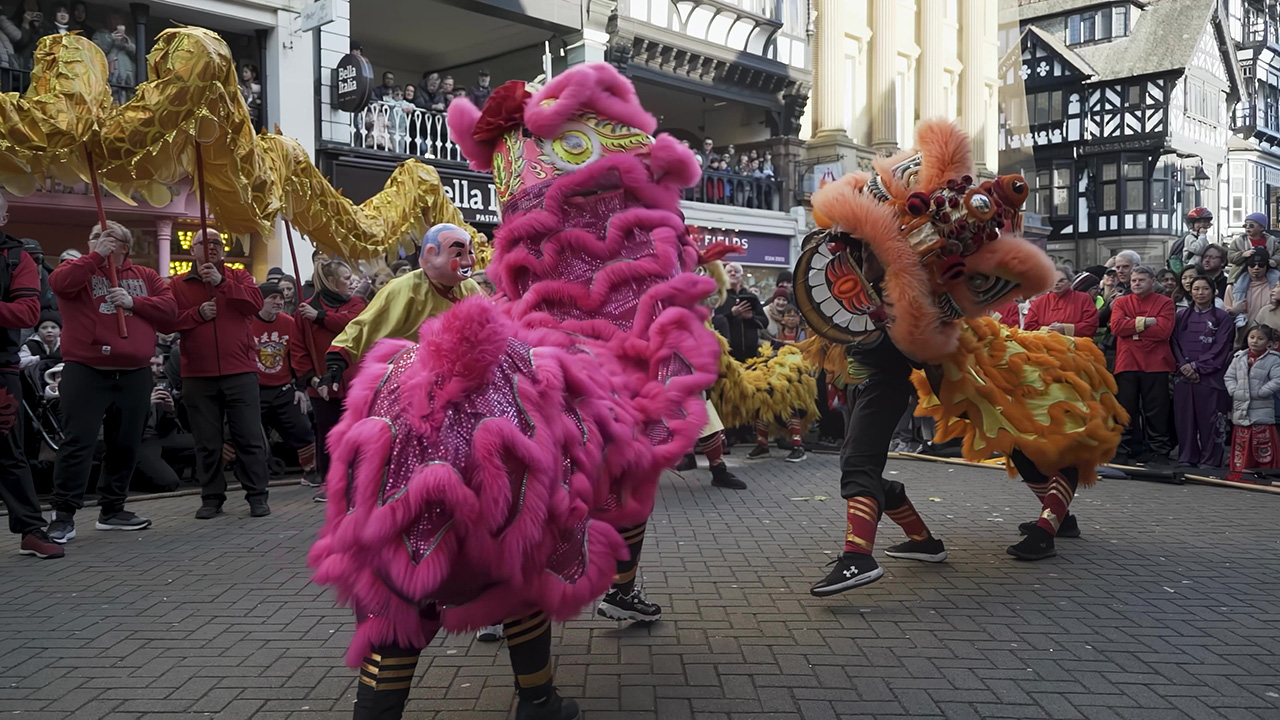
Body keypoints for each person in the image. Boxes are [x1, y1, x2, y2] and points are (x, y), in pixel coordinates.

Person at [46, 221, 176, 542]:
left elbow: (170, 311)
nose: (103, 242)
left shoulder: (146, 277)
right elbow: (59, 284)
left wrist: (135, 303)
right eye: (96, 237)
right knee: (78, 441)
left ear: (125, 248)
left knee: (125, 441)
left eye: (111, 239)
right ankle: (63, 514)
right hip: (87, 369)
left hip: (134, 372)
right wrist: (93, 258)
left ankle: (113, 508)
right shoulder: (78, 269)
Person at [170, 229, 272, 520]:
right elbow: (166, 322)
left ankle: (257, 495)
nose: (211, 247)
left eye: (217, 242)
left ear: (223, 251)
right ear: (193, 250)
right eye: (204, 243)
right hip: (197, 373)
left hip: (239, 369)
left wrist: (223, 283)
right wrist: (197, 314)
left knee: (249, 436)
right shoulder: (177, 284)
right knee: (207, 441)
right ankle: (211, 497)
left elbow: (254, 304)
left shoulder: (239, 276)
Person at [0, 217, 62, 559]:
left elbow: (27, 312)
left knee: (10, 456)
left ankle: (30, 530)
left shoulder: (15, 258)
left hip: (1, 367)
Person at [290, 255, 365, 499]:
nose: (351, 283)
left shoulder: (357, 304)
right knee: (327, 434)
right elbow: (298, 349)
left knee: (357, 433)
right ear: (332, 282)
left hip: (354, 383)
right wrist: (311, 379)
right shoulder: (305, 310)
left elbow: (354, 325)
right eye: (346, 279)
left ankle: (360, 482)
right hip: (321, 384)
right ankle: (330, 483)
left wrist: (320, 317)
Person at [1108, 266, 1176, 465]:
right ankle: (1122, 451)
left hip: (1157, 363)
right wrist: (1147, 322)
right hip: (1127, 362)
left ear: (1153, 280)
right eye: (1134, 281)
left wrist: (1133, 328)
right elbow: (1117, 328)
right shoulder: (1121, 302)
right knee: (1125, 410)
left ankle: (1159, 453)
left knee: (1156, 412)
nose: (1136, 284)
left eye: (1141, 280)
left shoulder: (1166, 302)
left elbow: (1164, 332)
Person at [251, 282, 317, 482]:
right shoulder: (246, 323)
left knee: (302, 427)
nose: (278, 301)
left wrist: (299, 387)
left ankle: (311, 471)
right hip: (255, 388)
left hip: (284, 388)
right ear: (260, 300)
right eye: (273, 298)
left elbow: (297, 356)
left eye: (280, 298)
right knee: (239, 431)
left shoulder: (289, 322)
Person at [1172, 276, 1233, 469]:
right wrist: (1184, 366)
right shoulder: (1181, 316)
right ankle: (1187, 457)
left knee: (1212, 421)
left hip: (1211, 378)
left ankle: (1210, 460)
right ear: (1190, 292)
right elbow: (1174, 344)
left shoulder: (1222, 318)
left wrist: (1198, 367)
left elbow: (1222, 348)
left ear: (1213, 291)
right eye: (1196, 289)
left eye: (1205, 289)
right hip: (1184, 376)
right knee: (1185, 421)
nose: (1200, 293)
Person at [130, 352, 193, 494]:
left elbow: (165, 430)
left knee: (209, 445)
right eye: (151, 364)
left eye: (158, 365)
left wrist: (169, 412)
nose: (154, 369)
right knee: (169, 483)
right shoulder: (131, 387)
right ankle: (133, 480)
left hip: (159, 438)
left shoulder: (161, 386)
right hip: (140, 440)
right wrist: (145, 405)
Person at [1225, 324, 1280, 482]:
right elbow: (1229, 377)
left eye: (1260, 338)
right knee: (1242, 441)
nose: (1255, 341)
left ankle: (1266, 474)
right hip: (1241, 407)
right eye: (1252, 337)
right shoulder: (1239, 357)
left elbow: (1277, 380)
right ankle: (1240, 472)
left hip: (1261, 409)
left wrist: (1261, 392)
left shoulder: (1273, 359)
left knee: (1262, 443)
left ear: (1270, 342)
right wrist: (1235, 391)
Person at [1021, 266, 1099, 338]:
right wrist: (1049, 330)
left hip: (1076, 347)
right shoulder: (1039, 302)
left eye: (1061, 281)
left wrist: (1065, 329)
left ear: (1070, 281)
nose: (1056, 284)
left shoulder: (1084, 298)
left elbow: (1091, 326)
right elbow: (1028, 326)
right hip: (1043, 346)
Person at [714, 262, 767, 363]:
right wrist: (731, 314)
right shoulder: (719, 297)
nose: (733, 273)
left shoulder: (751, 297)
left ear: (741, 276)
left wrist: (751, 318)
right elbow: (713, 322)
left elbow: (764, 322)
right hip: (727, 355)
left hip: (751, 356)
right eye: (729, 271)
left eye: (736, 271)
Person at [1227, 248, 1279, 346]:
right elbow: (1222, 317)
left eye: (1261, 265)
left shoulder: (1276, 288)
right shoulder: (1233, 288)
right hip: (1241, 341)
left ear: (1267, 266)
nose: (1256, 267)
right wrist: (1233, 311)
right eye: (1252, 264)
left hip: (1270, 343)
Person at [93, 17, 135, 105]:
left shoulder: (130, 36)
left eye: (120, 20)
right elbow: (95, 52)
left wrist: (128, 45)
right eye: (114, 19)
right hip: (109, 80)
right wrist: (111, 39)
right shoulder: (100, 35)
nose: (117, 23)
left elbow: (140, 54)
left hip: (128, 81)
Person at [1175, 207, 1215, 273]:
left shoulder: (1203, 238)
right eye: (1199, 222)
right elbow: (1197, 249)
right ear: (1192, 224)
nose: (1202, 224)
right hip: (1191, 268)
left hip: (1200, 268)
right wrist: (1202, 235)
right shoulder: (1190, 237)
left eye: (1205, 222)